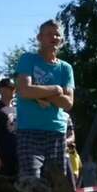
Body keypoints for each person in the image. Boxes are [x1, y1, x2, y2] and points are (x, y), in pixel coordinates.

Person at [15, 20, 75, 179]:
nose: (54, 37)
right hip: (29, 130)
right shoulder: (28, 59)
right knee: (31, 180)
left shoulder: (65, 68)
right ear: (39, 38)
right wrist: (56, 89)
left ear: (61, 40)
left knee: (57, 183)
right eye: (49, 34)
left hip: (56, 132)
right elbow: (23, 90)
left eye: (57, 35)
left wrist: (38, 92)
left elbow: (68, 103)